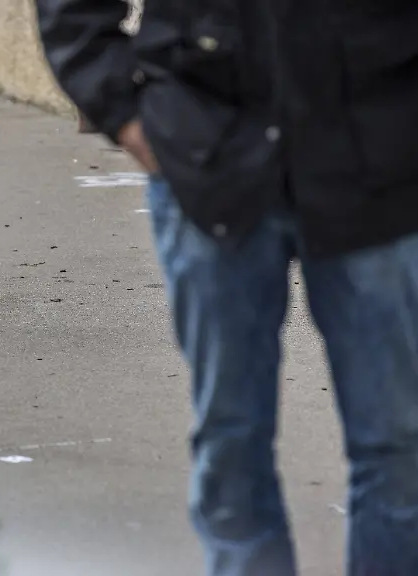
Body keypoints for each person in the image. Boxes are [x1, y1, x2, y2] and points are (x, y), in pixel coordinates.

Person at [35, 1, 418, 575]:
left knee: (398, 444)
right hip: (207, 153)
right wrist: (126, 114)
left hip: (376, 156)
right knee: (231, 440)